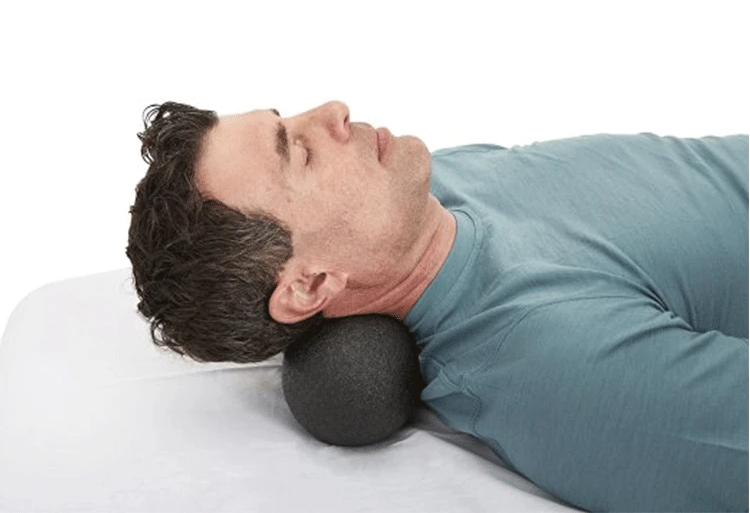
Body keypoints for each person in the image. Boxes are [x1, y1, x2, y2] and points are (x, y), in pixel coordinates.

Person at [127, 100, 748, 512]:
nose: (334, 111)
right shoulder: (550, 361)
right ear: (310, 286)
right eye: (301, 153)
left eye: (289, 117)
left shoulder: (413, 193)